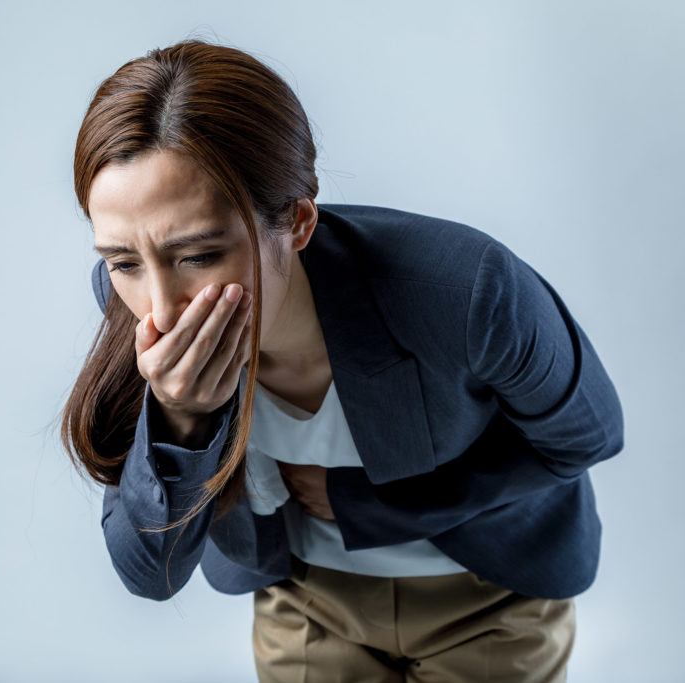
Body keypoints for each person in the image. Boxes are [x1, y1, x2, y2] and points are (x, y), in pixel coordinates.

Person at [61, 39, 624, 682]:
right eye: (124, 261)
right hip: (304, 602)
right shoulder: (130, 310)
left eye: (199, 255)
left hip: (489, 591)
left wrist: (365, 504)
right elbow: (148, 574)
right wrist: (181, 420)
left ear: (298, 221)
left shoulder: (468, 292)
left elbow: (587, 437)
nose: (163, 307)